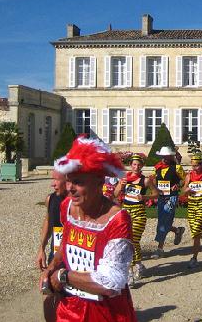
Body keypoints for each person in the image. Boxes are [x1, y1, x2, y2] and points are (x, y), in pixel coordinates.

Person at [41, 136, 136, 322]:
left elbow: (111, 282)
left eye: (78, 182)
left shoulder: (117, 219)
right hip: (69, 308)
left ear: (100, 182)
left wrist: (63, 275)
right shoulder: (67, 206)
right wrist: (51, 267)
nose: (70, 189)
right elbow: (66, 244)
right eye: (68, 181)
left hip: (106, 312)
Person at [115, 154, 158, 285]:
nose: (136, 167)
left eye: (139, 165)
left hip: (139, 212)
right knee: (130, 241)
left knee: (133, 240)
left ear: (142, 166)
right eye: (134, 164)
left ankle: (130, 273)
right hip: (126, 212)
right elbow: (115, 194)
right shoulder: (125, 179)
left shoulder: (145, 181)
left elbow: (156, 194)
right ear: (130, 165)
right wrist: (121, 186)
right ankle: (138, 264)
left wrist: (145, 197)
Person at [36, 171, 69, 321]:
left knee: (70, 296)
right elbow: (48, 222)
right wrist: (41, 248)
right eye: (52, 179)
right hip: (54, 254)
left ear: (68, 180)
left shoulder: (80, 202)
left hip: (73, 257)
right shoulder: (51, 199)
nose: (52, 183)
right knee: (47, 290)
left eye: (56, 179)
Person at [149, 147, 186, 259]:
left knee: (164, 222)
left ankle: (160, 248)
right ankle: (177, 230)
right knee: (162, 221)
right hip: (161, 197)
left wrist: (178, 185)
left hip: (171, 197)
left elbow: (185, 179)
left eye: (166, 156)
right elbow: (152, 180)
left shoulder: (177, 167)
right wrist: (155, 190)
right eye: (163, 156)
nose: (164, 158)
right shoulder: (157, 167)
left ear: (170, 157)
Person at [181, 152, 202, 268]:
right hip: (192, 205)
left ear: (201, 165)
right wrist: (187, 190)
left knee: (195, 232)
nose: (194, 168)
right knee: (196, 230)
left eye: (196, 165)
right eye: (193, 165)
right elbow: (184, 189)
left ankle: (194, 258)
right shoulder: (189, 176)